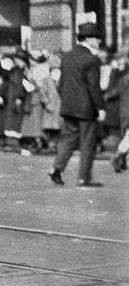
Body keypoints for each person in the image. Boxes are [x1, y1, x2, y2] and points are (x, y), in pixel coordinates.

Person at [50, 23, 106, 186]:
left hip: (68, 106)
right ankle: (83, 177)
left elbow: (61, 84)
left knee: (68, 140)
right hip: (86, 108)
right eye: (97, 38)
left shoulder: (67, 57)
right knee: (88, 143)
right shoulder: (91, 59)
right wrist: (100, 107)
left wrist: (67, 100)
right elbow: (93, 86)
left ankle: (56, 169)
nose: (99, 41)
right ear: (88, 39)